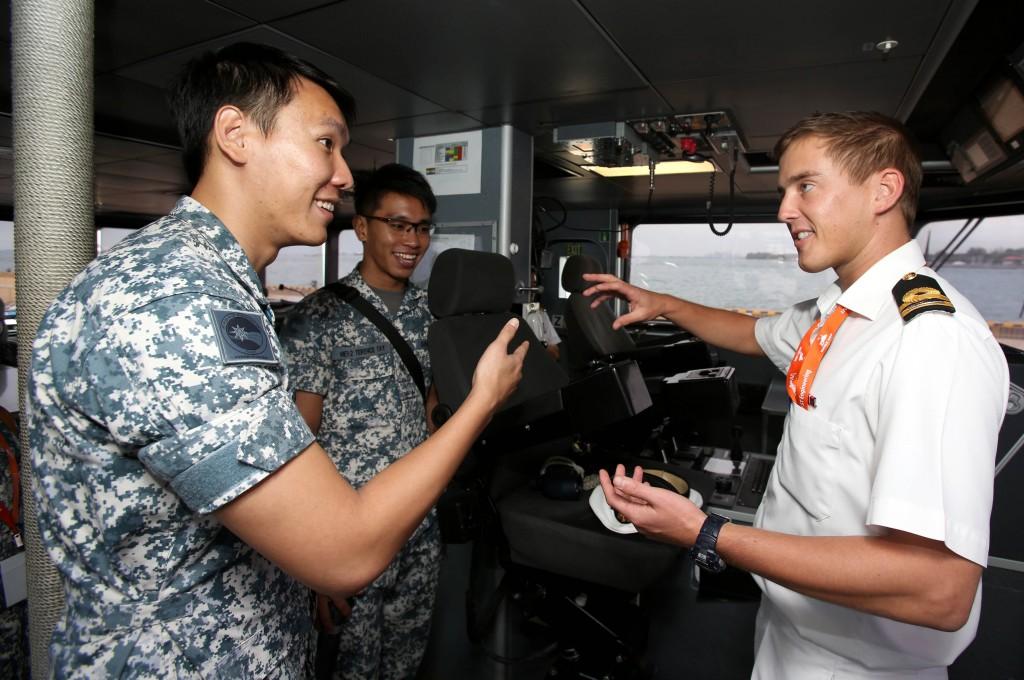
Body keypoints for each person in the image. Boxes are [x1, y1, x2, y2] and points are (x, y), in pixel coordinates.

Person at [28, 42, 527, 678]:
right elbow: (343, 551)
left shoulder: (218, 289)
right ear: (236, 134)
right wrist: (484, 397)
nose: (345, 175)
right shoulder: (173, 302)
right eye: (326, 144)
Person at [585, 112, 1009, 678]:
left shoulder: (929, 340)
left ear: (883, 189)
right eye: (785, 189)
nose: (784, 210)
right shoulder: (836, 313)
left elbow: (939, 591)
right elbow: (749, 333)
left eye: (806, 185)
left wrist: (704, 531)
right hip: (796, 625)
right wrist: (663, 302)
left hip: (855, 662)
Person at [277, 163, 442, 679]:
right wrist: (316, 571)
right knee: (354, 669)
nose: (412, 240)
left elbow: (432, 409)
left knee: (405, 664)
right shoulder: (317, 318)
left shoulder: (430, 312)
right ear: (363, 228)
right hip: (351, 531)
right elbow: (298, 447)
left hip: (418, 524)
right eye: (398, 224)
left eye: (421, 227)